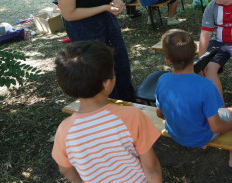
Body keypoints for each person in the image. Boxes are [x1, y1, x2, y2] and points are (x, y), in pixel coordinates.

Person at [52, 41, 163, 183]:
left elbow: (65, 168)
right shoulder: (132, 116)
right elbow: (151, 167)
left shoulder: (64, 130)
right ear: (106, 83)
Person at [155, 29, 232, 171]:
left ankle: (203, 145)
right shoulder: (206, 86)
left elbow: (160, 114)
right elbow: (216, 126)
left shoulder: (162, 79)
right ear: (196, 51)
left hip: (175, 133)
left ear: (168, 59)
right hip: (200, 135)